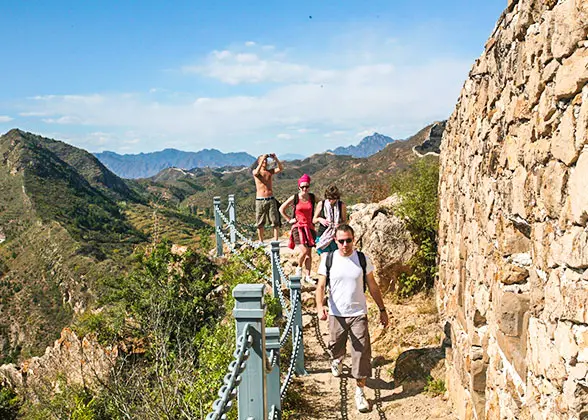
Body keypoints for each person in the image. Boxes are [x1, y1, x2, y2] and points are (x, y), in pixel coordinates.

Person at [315, 224, 389, 414]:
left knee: (361, 353)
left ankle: (360, 391)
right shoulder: (328, 259)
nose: (345, 244)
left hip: (358, 314)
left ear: (353, 239)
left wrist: (382, 309)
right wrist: (319, 306)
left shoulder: (363, 259)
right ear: (335, 241)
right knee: (335, 346)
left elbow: (372, 285)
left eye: (348, 240)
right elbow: (321, 286)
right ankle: (337, 360)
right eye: (341, 241)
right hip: (336, 314)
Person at [279, 174, 316, 284]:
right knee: (304, 251)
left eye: (307, 186)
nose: (305, 189)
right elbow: (281, 209)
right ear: (299, 187)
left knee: (309, 253)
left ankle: (308, 276)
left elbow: (322, 204)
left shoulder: (312, 197)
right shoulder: (295, 198)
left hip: (309, 227)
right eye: (302, 187)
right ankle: (298, 270)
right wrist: (289, 219)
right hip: (298, 227)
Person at [253, 153, 283, 242]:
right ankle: (261, 241)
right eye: (263, 160)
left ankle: (276, 240)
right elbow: (256, 172)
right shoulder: (256, 171)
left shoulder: (269, 171)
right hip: (260, 200)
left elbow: (281, 168)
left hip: (270, 198)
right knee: (260, 222)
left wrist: (275, 158)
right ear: (259, 162)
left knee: (275, 221)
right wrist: (262, 159)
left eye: (266, 160)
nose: (265, 161)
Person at [313, 185, 347, 255]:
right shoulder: (321, 204)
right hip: (323, 235)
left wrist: (339, 224)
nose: (331, 201)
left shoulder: (341, 205)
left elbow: (345, 221)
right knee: (324, 258)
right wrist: (320, 219)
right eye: (329, 198)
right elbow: (314, 220)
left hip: (336, 236)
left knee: (336, 258)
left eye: (333, 198)